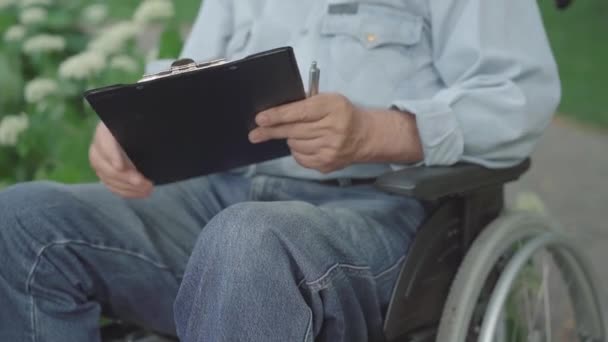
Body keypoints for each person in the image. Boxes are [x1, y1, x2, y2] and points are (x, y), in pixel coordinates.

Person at [0, 0, 560, 341]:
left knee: (248, 238)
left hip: (377, 211)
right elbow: (188, 71)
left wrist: (378, 131)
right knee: (23, 219)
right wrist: (136, 125)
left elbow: (520, 96)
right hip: (222, 195)